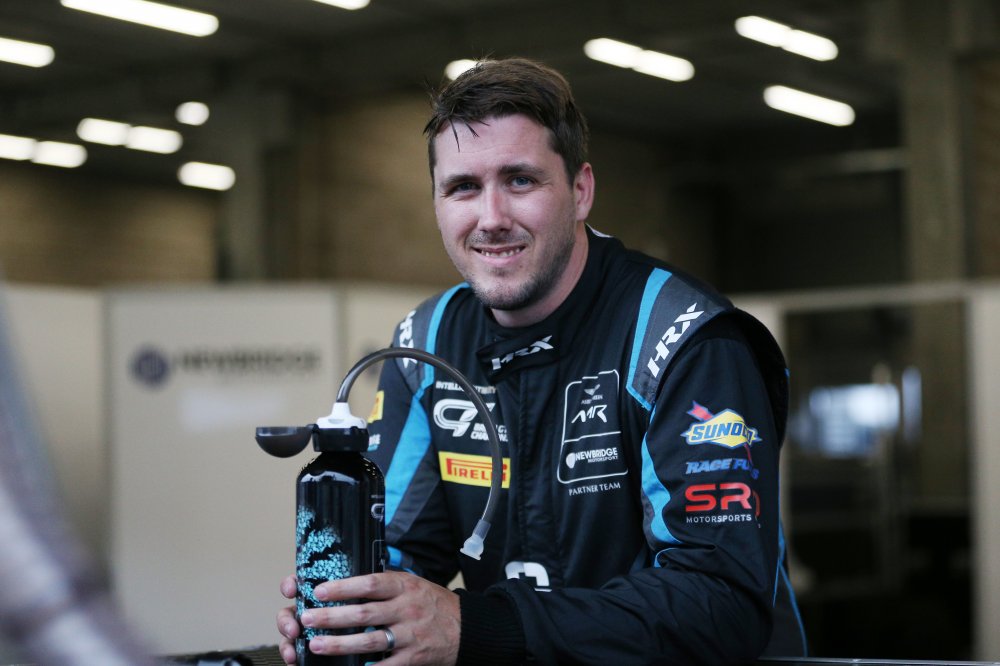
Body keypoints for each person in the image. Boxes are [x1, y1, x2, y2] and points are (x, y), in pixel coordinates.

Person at [276, 57, 807, 665]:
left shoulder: (684, 338)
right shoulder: (426, 342)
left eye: (521, 180)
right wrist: (349, 615)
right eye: (463, 187)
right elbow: (396, 553)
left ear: (581, 191)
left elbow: (721, 602)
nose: (492, 218)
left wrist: (480, 626)